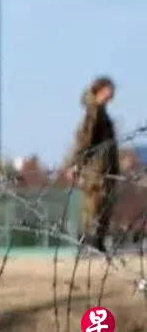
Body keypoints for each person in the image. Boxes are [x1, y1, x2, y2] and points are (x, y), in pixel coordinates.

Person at [66, 75, 120, 252]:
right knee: (93, 209)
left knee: (102, 209)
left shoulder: (101, 113)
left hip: (104, 170)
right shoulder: (94, 112)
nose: (112, 93)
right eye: (109, 89)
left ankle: (97, 245)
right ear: (101, 90)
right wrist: (77, 163)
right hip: (96, 171)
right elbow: (85, 139)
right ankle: (90, 245)